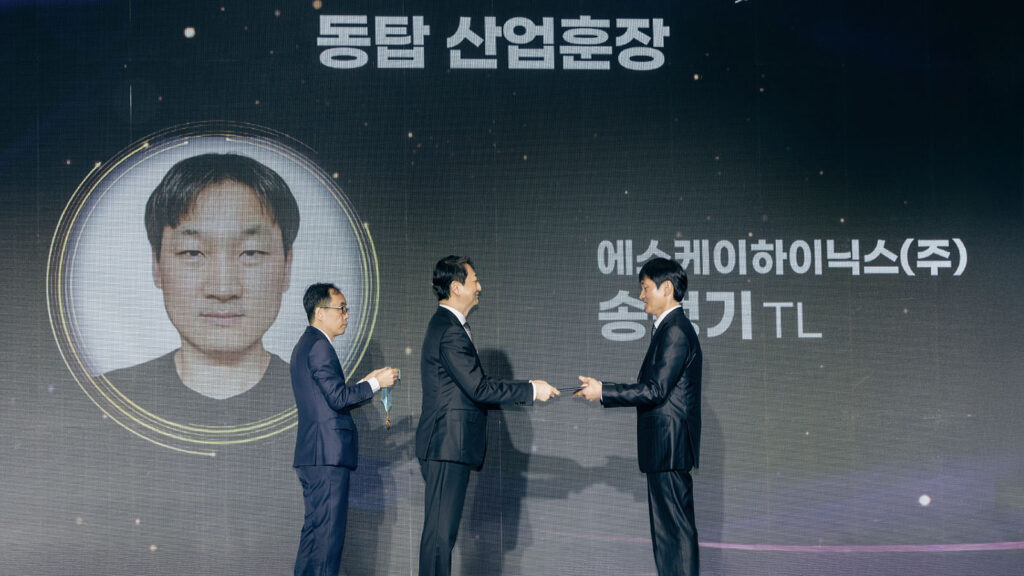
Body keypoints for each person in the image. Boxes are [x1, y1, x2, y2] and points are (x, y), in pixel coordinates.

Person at [104, 153, 299, 423]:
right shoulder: (101, 402)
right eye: (193, 253)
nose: (223, 288)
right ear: (157, 266)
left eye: (251, 252)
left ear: (287, 267)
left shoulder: (332, 408)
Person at [416, 255, 560, 576]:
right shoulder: (449, 330)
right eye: (474, 281)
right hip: (446, 445)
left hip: (450, 446)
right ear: (455, 287)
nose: (480, 287)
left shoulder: (450, 326)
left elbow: (474, 387)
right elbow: (478, 388)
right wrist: (531, 389)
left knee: (442, 536)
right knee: (440, 537)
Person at [576, 257, 702, 576]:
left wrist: (604, 391)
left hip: (669, 449)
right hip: (663, 450)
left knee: (675, 534)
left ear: (667, 288)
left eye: (645, 288)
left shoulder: (676, 331)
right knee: (667, 537)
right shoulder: (668, 329)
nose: (641, 295)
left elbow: (654, 390)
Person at [290, 282, 399, 576]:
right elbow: (338, 398)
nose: (347, 315)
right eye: (341, 308)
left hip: (316, 455)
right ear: (319, 312)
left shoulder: (308, 345)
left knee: (315, 541)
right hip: (326, 457)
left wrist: (369, 380)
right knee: (326, 544)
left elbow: (329, 398)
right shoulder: (319, 347)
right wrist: (376, 384)